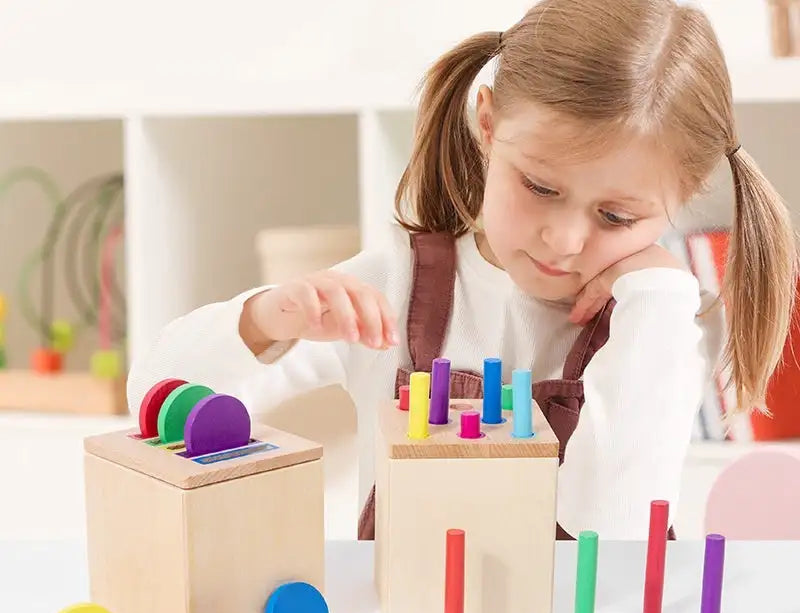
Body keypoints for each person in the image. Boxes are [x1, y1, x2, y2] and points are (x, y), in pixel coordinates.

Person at [127, 0, 798, 541]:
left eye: (617, 218)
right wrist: (266, 317)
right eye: (539, 186)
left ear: (683, 196)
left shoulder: (661, 318)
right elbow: (155, 402)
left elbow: (615, 532)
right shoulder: (399, 282)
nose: (563, 240)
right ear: (487, 123)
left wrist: (655, 292)